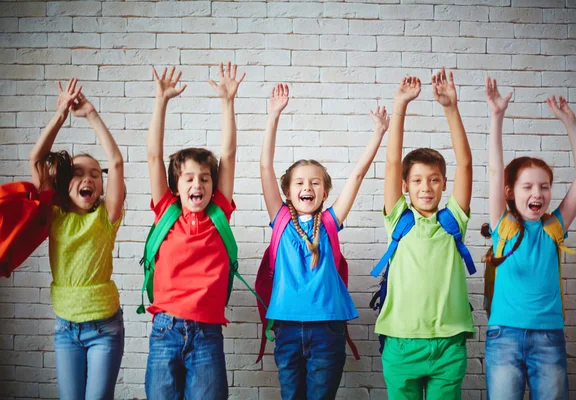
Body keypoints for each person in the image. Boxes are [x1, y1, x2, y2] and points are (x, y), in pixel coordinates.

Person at [260, 83, 388, 399]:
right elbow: (265, 167)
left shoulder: (329, 223)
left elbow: (357, 176)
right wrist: (273, 116)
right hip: (287, 327)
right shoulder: (281, 221)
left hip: (328, 328)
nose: (308, 187)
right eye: (300, 183)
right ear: (288, 192)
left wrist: (378, 135)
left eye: (315, 182)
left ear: (325, 192)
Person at [483, 76, 576, 400]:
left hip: (549, 338)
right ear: (510, 193)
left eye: (544, 187)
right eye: (528, 187)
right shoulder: (503, 226)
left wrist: (571, 123)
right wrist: (496, 116)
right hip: (504, 336)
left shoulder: (553, 227)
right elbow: (494, 169)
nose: (538, 193)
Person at [143, 63, 244, 400]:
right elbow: (154, 155)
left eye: (204, 177)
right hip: (164, 330)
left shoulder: (219, 213)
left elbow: (228, 154)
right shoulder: (166, 213)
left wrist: (227, 102)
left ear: (213, 185)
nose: (197, 183)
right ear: (176, 185)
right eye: (188, 178)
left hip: (207, 333)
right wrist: (161, 100)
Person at [377, 69, 475, 400]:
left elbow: (465, 164)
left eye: (433, 179)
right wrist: (400, 105)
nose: (426, 187)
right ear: (405, 187)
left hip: (448, 345)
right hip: (401, 344)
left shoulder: (454, 221)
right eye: (417, 180)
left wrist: (450, 108)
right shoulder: (398, 220)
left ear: (444, 184)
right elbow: (392, 163)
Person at [29, 78, 126, 399]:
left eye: (95, 175)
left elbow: (116, 161)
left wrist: (91, 115)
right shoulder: (54, 216)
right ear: (65, 183)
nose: (88, 178)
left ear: (101, 187)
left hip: (104, 329)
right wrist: (60, 115)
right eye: (79, 173)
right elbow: (36, 160)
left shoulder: (107, 216)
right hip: (66, 329)